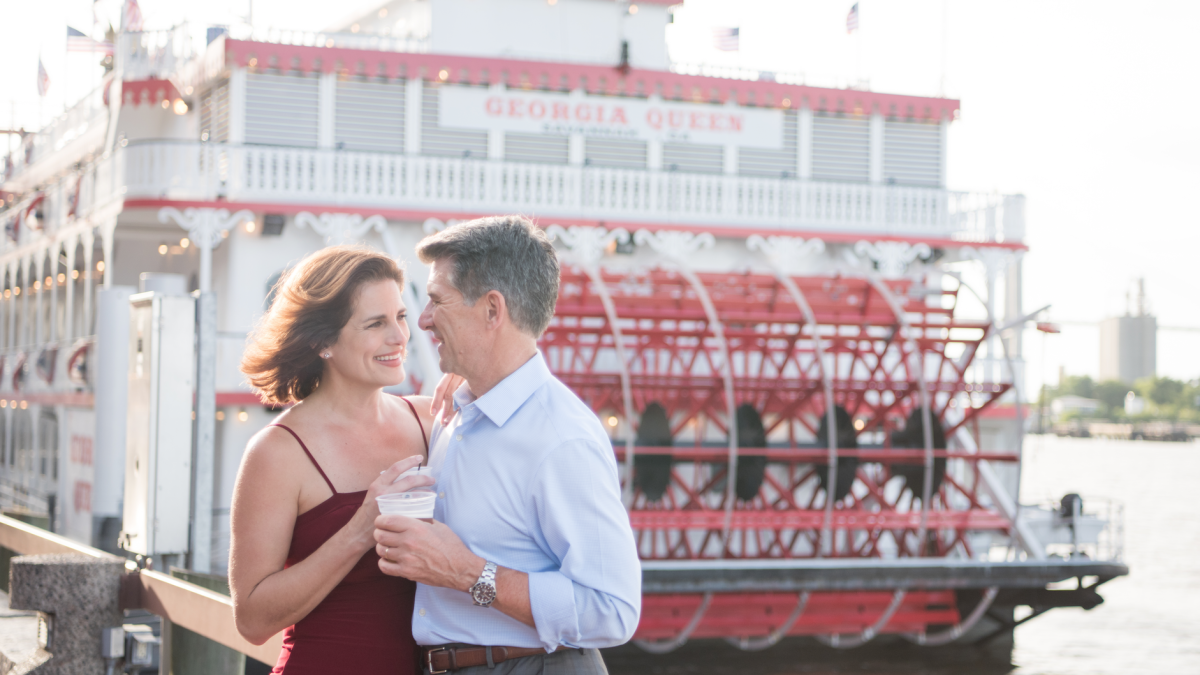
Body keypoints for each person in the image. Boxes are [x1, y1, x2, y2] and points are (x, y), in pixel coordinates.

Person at [373, 216, 642, 675]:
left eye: (438, 300)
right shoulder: (456, 407)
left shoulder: (562, 440)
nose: (422, 319)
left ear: (492, 311)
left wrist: (467, 573)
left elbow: (612, 610)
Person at [229, 246, 437, 674]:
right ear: (323, 341)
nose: (399, 337)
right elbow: (251, 619)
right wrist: (360, 530)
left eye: (400, 316)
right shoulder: (277, 452)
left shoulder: (434, 420)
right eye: (376, 323)